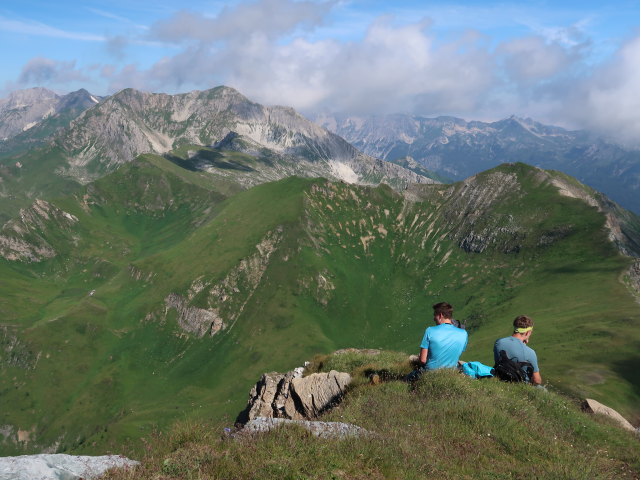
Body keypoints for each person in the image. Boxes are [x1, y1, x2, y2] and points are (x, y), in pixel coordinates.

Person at [406, 302, 468, 381]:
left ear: (440, 315)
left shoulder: (430, 331)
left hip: (430, 373)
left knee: (405, 378)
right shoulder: (463, 333)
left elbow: (422, 360)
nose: (434, 318)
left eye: (435, 315)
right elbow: (457, 351)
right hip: (451, 373)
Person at [493, 315, 542, 385]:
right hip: (520, 385)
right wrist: (524, 347)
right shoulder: (530, 352)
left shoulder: (499, 342)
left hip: (500, 379)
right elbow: (537, 380)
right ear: (528, 332)